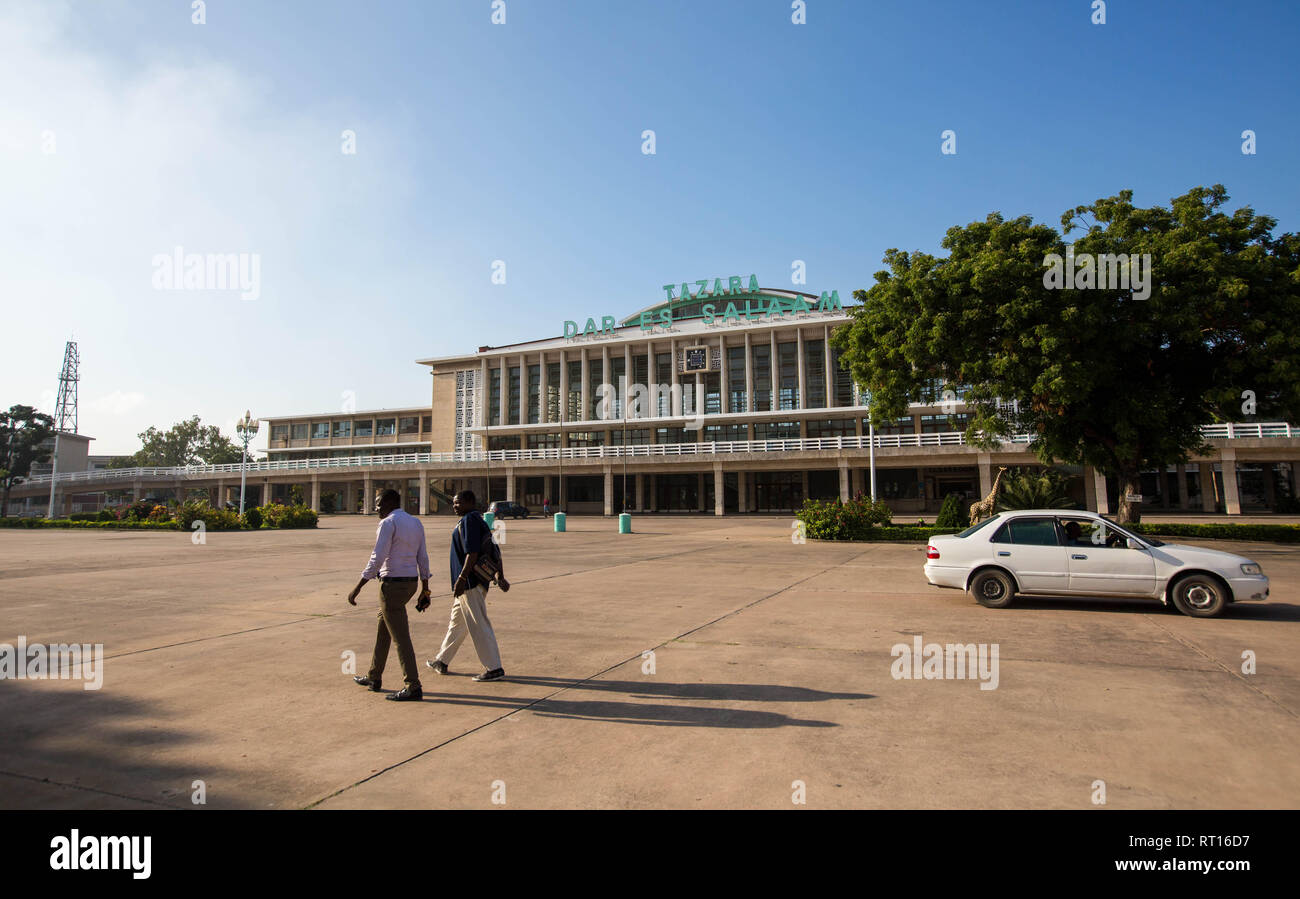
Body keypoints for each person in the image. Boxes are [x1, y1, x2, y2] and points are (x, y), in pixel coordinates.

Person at [346, 489, 431, 701]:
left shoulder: (388, 523)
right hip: (409, 583)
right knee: (383, 629)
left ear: (392, 502)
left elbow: (378, 556)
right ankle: (374, 676)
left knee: (400, 637)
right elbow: (423, 556)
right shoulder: (415, 523)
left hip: (392, 586)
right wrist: (424, 588)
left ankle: (413, 684)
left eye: (379, 504)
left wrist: (359, 585)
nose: (377, 508)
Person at [427, 490, 508, 682]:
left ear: (470, 502)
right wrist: (500, 576)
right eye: (454, 503)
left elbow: (472, 553)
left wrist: (462, 578)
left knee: (478, 624)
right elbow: (495, 549)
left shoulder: (469, 521)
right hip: (470, 583)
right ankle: (442, 660)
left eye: (458, 503)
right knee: (457, 623)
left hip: (470, 583)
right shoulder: (477, 520)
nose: (455, 506)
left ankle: (494, 667)